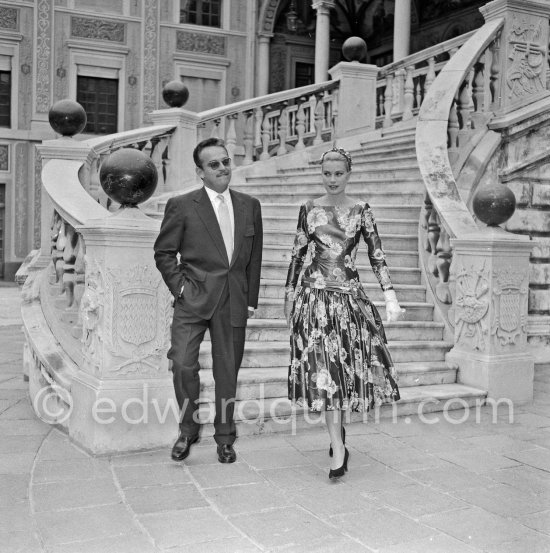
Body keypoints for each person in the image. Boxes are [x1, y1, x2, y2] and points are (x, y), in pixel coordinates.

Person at [284, 145, 404, 479]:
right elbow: (297, 254)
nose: (332, 179)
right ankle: (337, 445)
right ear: (320, 174)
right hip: (315, 300)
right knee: (323, 371)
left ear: (348, 175)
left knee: (343, 370)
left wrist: (390, 295)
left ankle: (339, 434)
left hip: (349, 301)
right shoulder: (308, 208)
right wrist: (289, 293)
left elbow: (376, 255)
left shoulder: (362, 210)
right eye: (327, 173)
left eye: (338, 174)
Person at [154, 137, 263, 464]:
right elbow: (163, 252)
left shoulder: (249, 205)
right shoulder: (183, 205)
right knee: (184, 363)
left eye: (226, 161)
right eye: (214, 164)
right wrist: (181, 289)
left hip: (233, 300)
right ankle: (188, 429)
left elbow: (254, 256)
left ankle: (225, 438)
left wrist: (251, 298)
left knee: (227, 372)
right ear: (200, 171)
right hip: (193, 298)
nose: (223, 168)